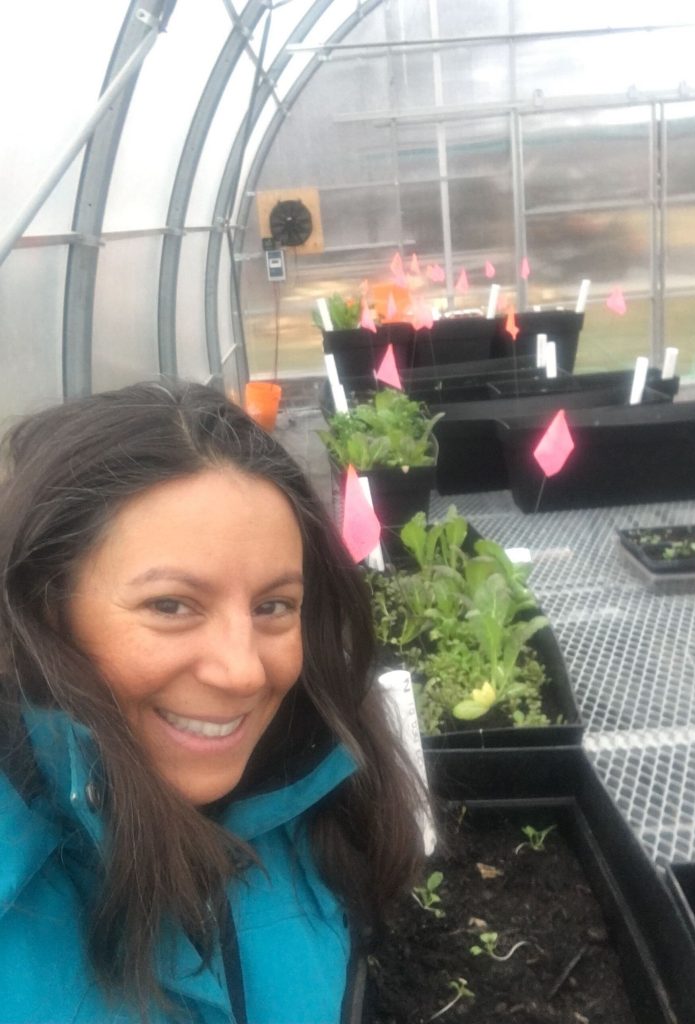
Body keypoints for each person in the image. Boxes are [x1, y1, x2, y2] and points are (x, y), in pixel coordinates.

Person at [0, 380, 424, 1024]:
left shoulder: (321, 802)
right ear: (41, 612)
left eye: (273, 606)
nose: (243, 671)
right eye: (171, 606)